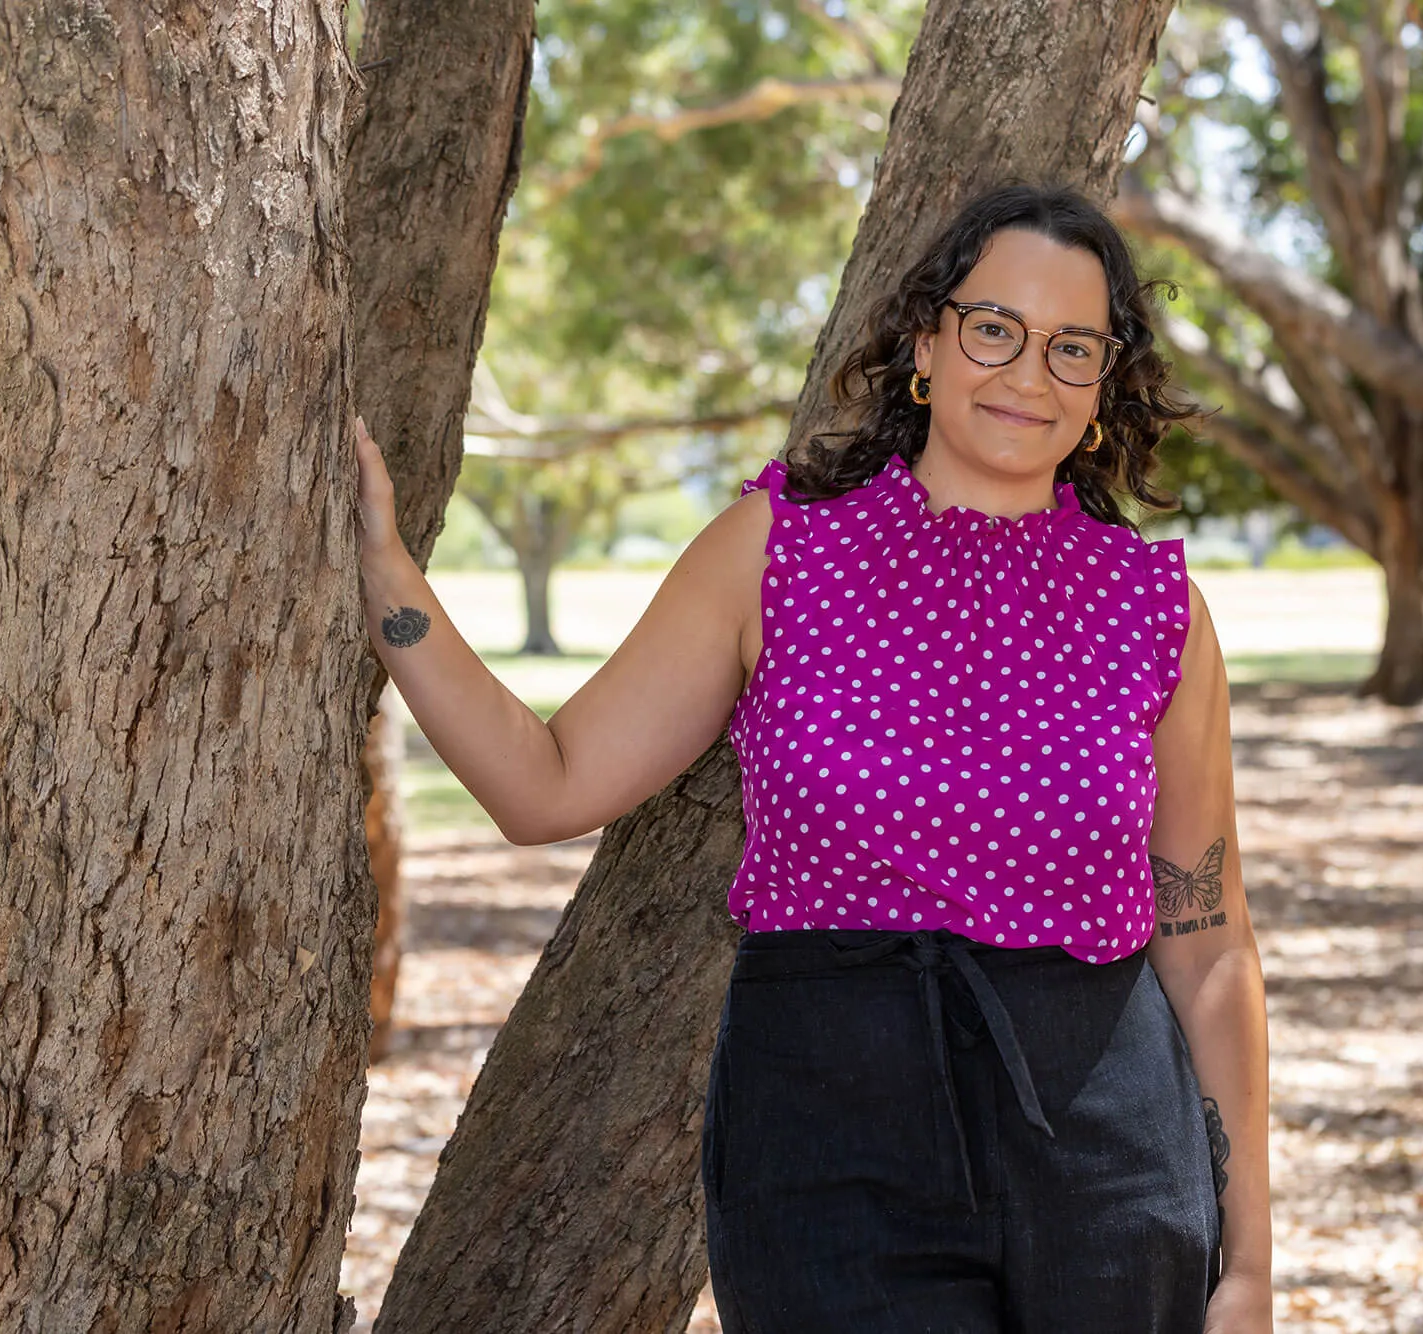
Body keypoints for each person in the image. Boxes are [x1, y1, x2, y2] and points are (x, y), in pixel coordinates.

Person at [353, 182, 1272, 1334]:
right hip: (825, 1142)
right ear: (926, 342)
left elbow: (1206, 941)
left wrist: (1248, 1260)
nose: (1027, 374)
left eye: (1070, 347)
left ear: (1100, 386)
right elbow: (544, 785)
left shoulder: (1152, 606)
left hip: (1107, 1154)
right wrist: (389, 581)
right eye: (993, 328)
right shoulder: (778, 550)